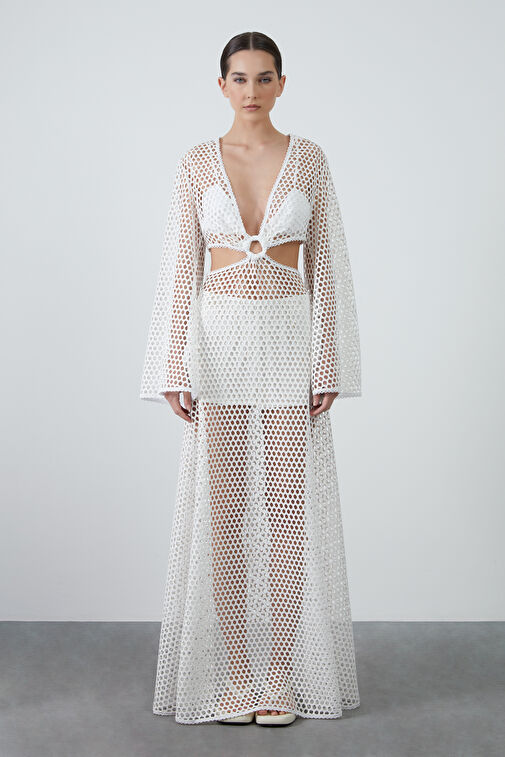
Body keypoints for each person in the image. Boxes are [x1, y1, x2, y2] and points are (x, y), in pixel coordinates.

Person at [140, 31, 362, 727]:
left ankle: (280, 677)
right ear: (222, 85)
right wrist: (172, 364)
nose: (252, 91)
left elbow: (327, 265)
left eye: (264, 78)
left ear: (282, 83)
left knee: (289, 515)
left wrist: (329, 360)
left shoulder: (309, 158)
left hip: (290, 342)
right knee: (228, 512)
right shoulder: (196, 162)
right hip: (220, 345)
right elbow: (180, 265)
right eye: (239, 78)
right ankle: (238, 673)